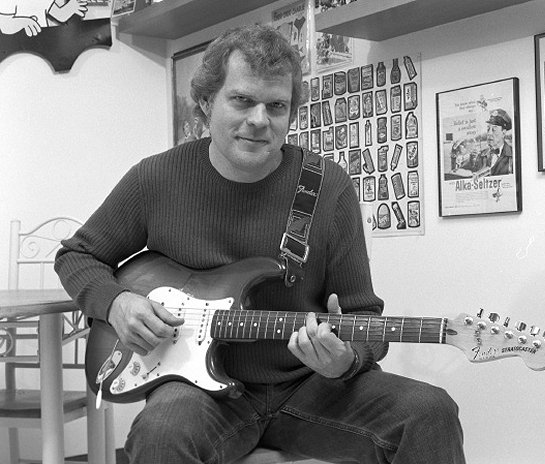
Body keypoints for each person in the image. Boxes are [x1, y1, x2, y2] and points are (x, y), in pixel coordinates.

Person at [55, 24, 465, 464]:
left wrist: (345, 360)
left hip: (313, 386)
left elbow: (363, 312)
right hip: (201, 394)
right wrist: (117, 304)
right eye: (242, 100)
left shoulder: (328, 187)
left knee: (430, 411)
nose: (259, 120)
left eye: (276, 106)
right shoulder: (154, 178)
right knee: (160, 433)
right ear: (207, 102)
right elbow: (77, 255)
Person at [473, 109, 513, 176]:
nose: (489, 133)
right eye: (488, 129)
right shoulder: (481, 156)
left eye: (494, 129)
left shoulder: (512, 154)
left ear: (504, 132)